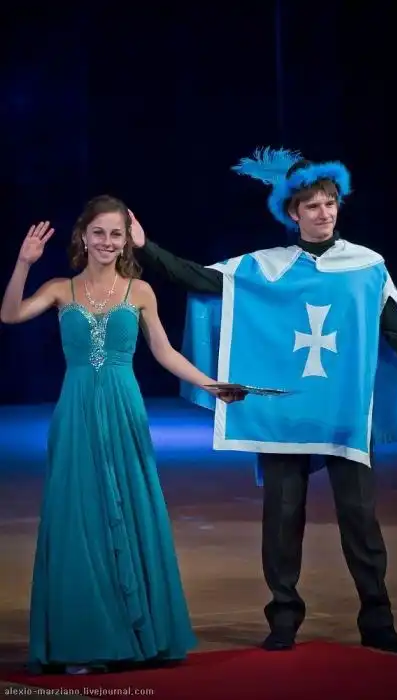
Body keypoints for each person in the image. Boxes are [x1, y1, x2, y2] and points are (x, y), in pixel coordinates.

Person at [130, 150, 397, 655]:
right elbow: (195, 277)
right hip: (284, 413)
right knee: (283, 518)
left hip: (344, 412)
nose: (324, 212)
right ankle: (283, 618)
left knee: (361, 520)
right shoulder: (267, 267)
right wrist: (145, 247)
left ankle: (377, 619)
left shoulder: (366, 266)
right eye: (312, 205)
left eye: (330, 203)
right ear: (293, 213)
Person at [0, 195, 246, 675]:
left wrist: (210, 384)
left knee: (129, 508)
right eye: (99, 232)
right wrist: (23, 263)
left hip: (123, 407)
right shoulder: (60, 288)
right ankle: (84, 640)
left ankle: (138, 636)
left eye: (116, 233)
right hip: (75, 411)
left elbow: (165, 352)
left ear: (127, 239)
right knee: (79, 515)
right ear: (83, 236)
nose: (107, 242)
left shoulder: (140, 291)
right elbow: (9, 315)